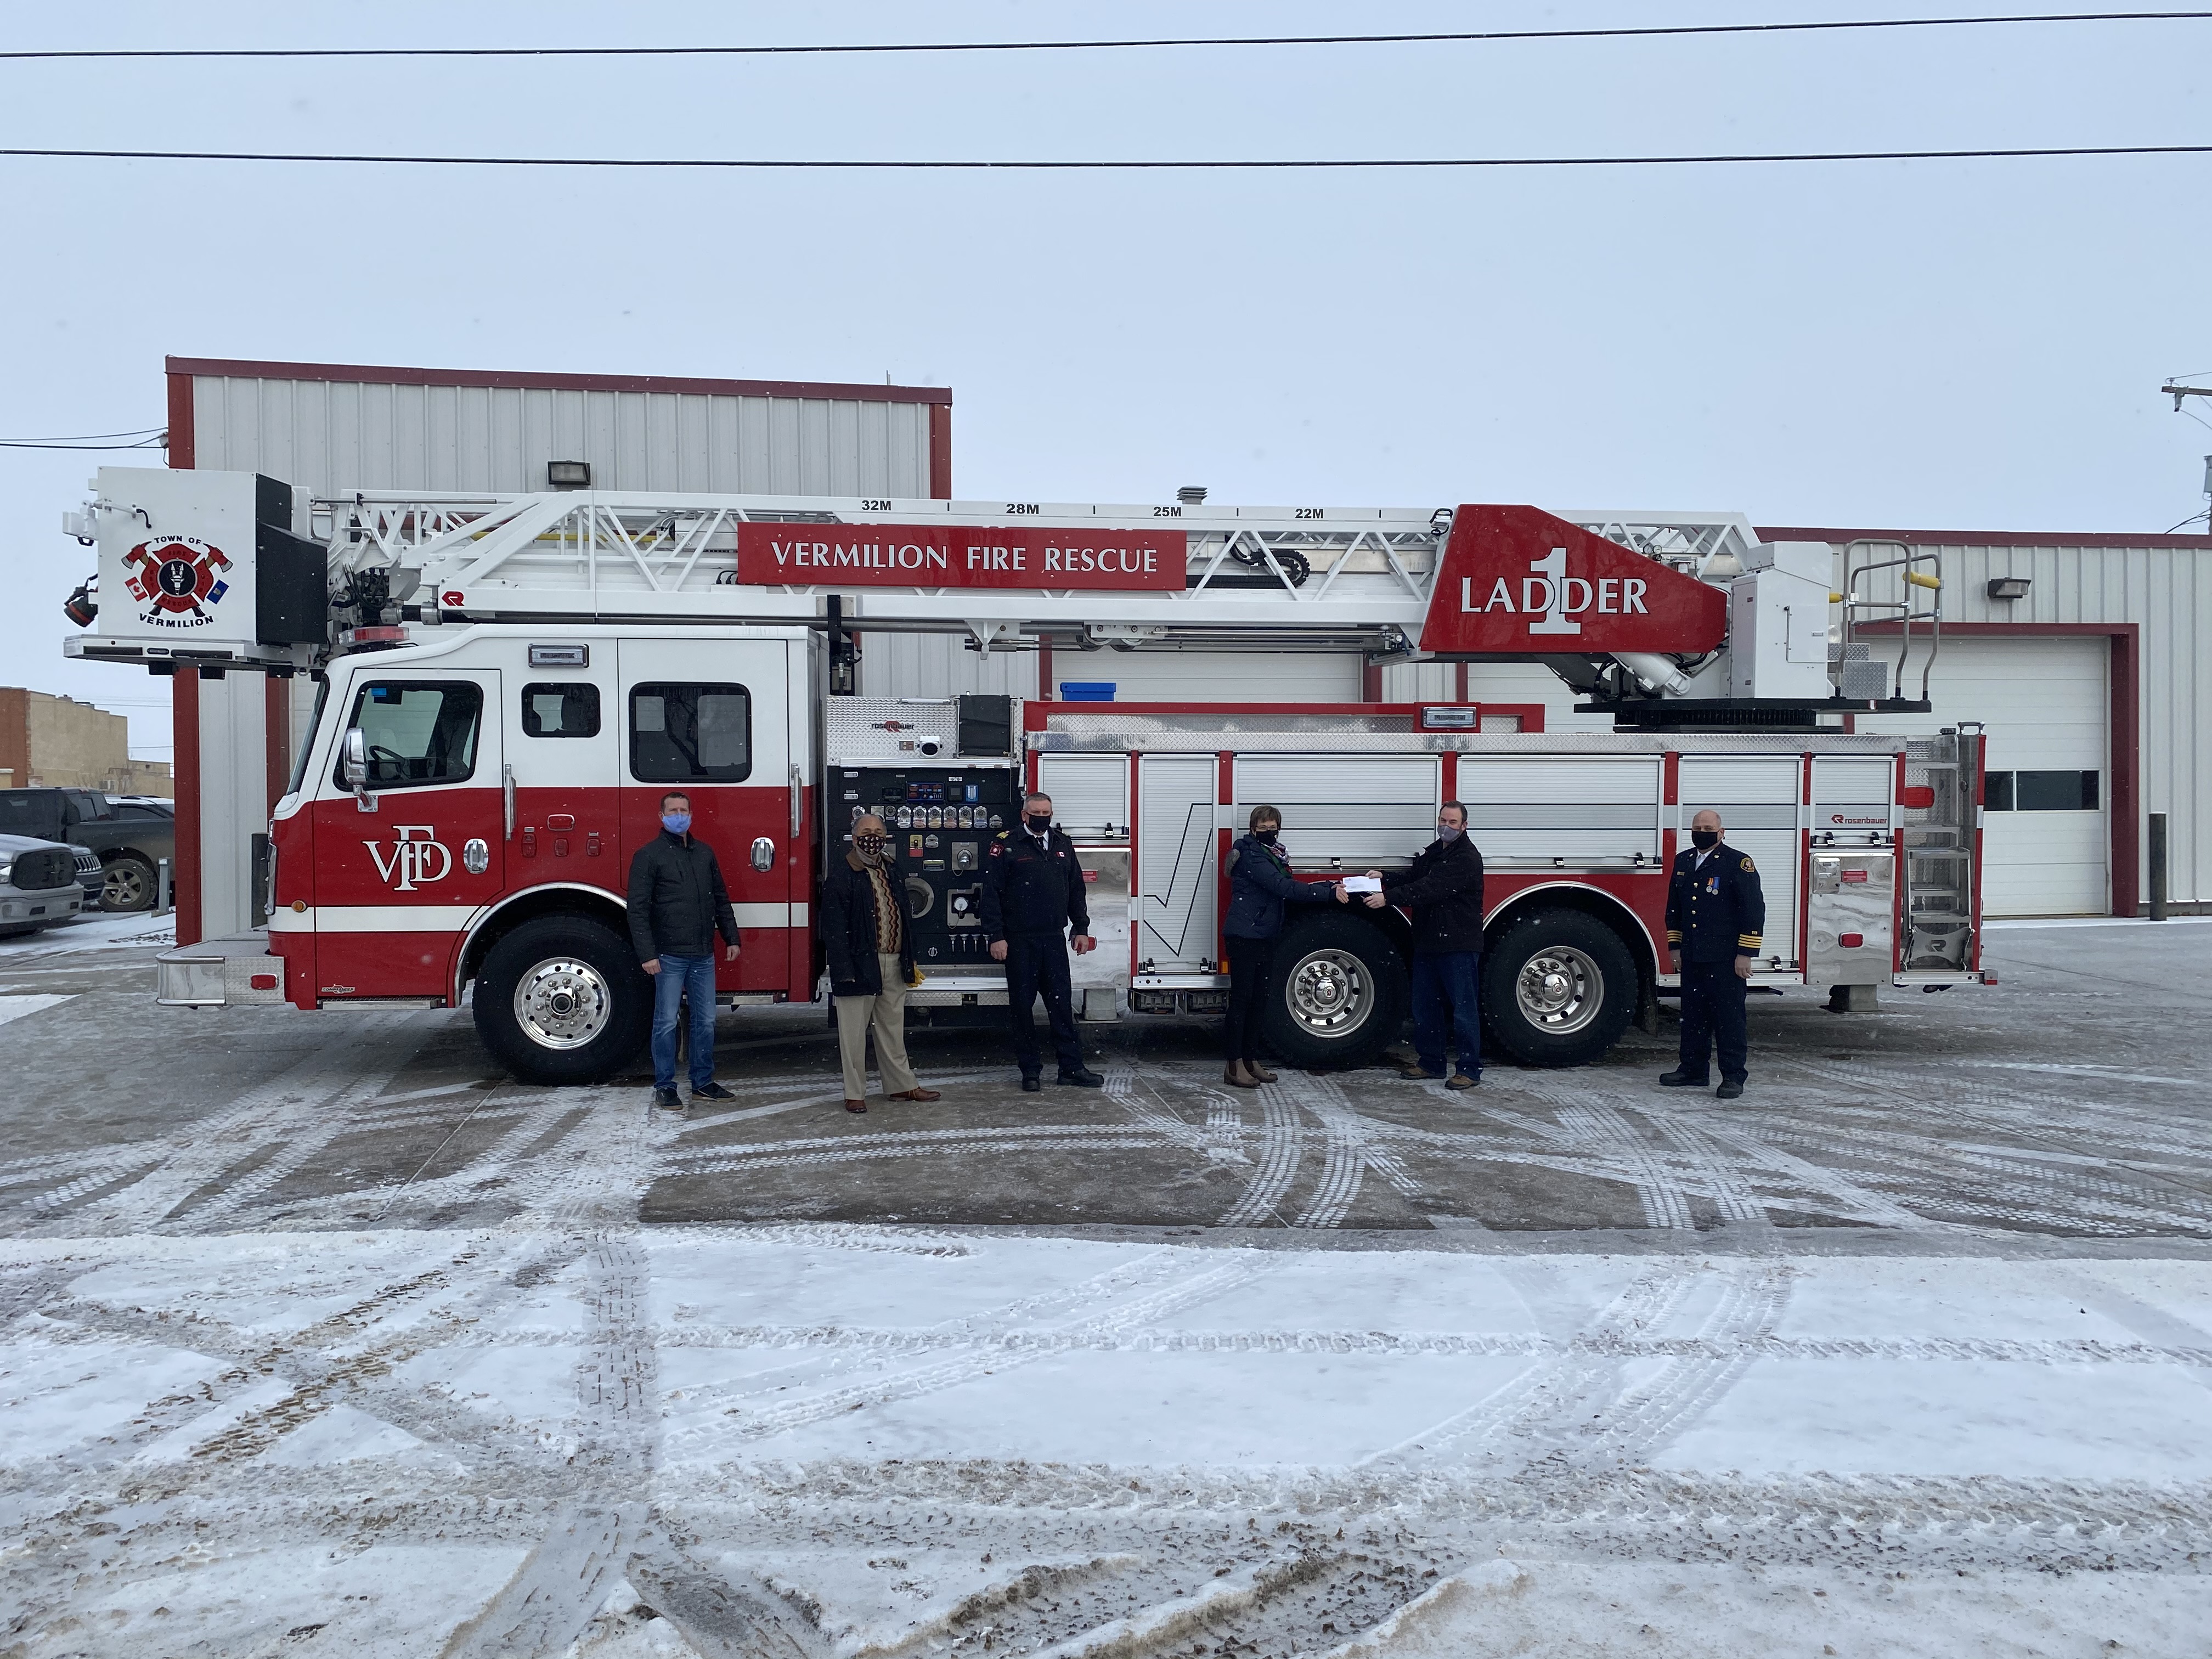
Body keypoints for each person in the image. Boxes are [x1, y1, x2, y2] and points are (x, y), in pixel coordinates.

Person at [979, 791, 1105, 1092]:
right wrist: (996, 936)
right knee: (1022, 1009)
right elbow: (992, 893)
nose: (1042, 818)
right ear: (1025, 815)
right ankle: (1030, 1071)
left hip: (1053, 940)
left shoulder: (1062, 843)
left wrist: (1081, 928)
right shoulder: (1006, 844)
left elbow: (1076, 890)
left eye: (1047, 813)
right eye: (1036, 813)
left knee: (1061, 1007)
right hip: (1019, 941)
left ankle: (1071, 1068)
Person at [1358, 800, 1486, 1089]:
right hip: (1429, 942)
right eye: (1443, 820)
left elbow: (1430, 888)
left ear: (1464, 826)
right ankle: (1431, 1063)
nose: (1446, 826)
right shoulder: (1434, 852)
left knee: (1463, 1009)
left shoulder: (1465, 857)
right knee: (1426, 1006)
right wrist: (1384, 877)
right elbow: (1415, 876)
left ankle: (1469, 1069)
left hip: (1458, 945)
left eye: (1453, 822)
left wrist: (1387, 899)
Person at [820, 814, 943, 1115]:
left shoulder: (892, 868)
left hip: (894, 960)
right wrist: (843, 970)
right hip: (860, 963)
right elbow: (833, 929)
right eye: (866, 831)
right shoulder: (842, 874)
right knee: (853, 1033)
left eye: (878, 831)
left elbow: (905, 916)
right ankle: (855, 1093)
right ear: (853, 836)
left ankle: (902, 1085)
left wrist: (909, 957)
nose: (872, 836)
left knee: (892, 1029)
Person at [627, 790, 741, 1113]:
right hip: (668, 957)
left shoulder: (705, 853)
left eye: (684, 810)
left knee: (705, 1022)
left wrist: (731, 937)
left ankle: (703, 1082)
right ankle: (665, 1086)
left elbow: (720, 898)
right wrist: (648, 954)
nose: (679, 815)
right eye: (673, 810)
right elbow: (637, 910)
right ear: (661, 817)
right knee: (665, 1022)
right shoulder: (648, 856)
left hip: (704, 955)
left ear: (692, 815)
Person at [1221, 804, 1345, 1088]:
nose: (1269, 831)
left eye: (1272, 827)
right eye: (1263, 827)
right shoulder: (1251, 856)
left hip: (1263, 935)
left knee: (1259, 1000)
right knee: (1242, 1001)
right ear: (1252, 830)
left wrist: (1331, 883)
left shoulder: (1272, 855)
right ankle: (1233, 1065)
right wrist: (1327, 893)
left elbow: (1288, 883)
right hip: (1245, 937)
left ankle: (1250, 1061)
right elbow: (1283, 887)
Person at [1662, 808, 1765, 1100]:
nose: (1702, 832)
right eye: (1697, 827)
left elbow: (1753, 910)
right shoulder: (1683, 862)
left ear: (1722, 832)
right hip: (1693, 955)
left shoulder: (1737, 863)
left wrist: (1746, 953)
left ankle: (1733, 1076)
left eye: (1708, 827)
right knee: (1693, 1017)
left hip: (1725, 958)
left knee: (1729, 1019)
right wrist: (1676, 947)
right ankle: (1693, 1070)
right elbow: (1676, 910)